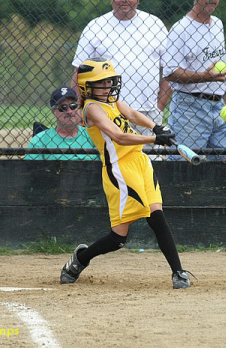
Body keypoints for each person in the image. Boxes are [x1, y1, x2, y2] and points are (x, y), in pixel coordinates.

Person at [60, 58, 194, 289]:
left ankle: (178, 272)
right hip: (119, 168)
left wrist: (155, 127)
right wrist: (154, 139)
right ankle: (81, 258)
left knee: (156, 215)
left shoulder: (112, 102)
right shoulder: (91, 109)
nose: (108, 86)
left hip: (140, 162)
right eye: (101, 83)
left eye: (109, 81)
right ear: (87, 87)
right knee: (118, 239)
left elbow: (132, 113)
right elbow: (118, 137)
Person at [71, 0, 170, 151]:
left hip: (147, 112)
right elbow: (79, 72)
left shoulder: (154, 24)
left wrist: (159, 106)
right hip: (106, 111)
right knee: (113, 159)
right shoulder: (96, 27)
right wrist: (77, 107)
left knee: (148, 164)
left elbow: (168, 72)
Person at [163, 0, 226, 161]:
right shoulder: (180, 29)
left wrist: (215, 82)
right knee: (186, 169)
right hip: (189, 107)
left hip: (219, 106)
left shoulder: (218, 25)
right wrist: (206, 77)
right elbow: (170, 72)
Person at [25, 87, 97, 160]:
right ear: (54, 112)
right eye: (63, 107)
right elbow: (30, 170)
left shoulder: (92, 136)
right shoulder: (39, 141)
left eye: (73, 106)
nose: (69, 112)